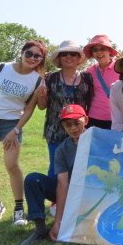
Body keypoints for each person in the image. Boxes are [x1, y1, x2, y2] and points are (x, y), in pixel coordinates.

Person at [0, 40, 47, 225]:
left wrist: (16, 130)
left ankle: (19, 210)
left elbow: (29, 109)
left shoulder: (38, 80)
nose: (32, 58)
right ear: (22, 52)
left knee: (12, 164)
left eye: (38, 56)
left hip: (12, 123)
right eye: (29, 53)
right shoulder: (1, 68)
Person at [18, 104, 88, 245]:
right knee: (33, 179)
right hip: (71, 191)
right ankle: (40, 229)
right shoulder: (62, 149)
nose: (73, 128)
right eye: (68, 125)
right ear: (63, 126)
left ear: (85, 120)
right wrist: (58, 223)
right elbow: (62, 183)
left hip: (92, 192)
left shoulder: (98, 140)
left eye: (77, 123)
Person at [37, 40, 94, 177]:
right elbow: (42, 106)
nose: (69, 57)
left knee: (81, 170)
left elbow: (90, 104)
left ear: (79, 58)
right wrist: (41, 96)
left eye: (73, 54)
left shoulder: (87, 78)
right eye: (64, 54)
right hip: (55, 131)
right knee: (56, 171)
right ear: (59, 58)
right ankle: (56, 198)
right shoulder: (50, 78)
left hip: (79, 132)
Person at [84, 35, 120, 129]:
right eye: (95, 50)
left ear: (109, 51)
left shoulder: (120, 68)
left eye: (103, 49)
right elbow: (74, 77)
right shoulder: (90, 70)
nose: (99, 52)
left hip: (115, 118)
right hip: (92, 117)